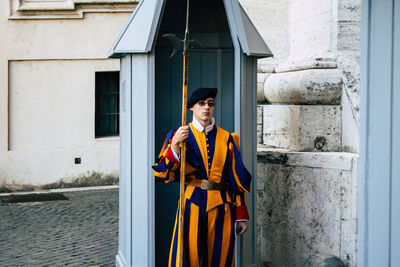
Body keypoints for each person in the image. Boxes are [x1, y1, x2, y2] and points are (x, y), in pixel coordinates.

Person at [152, 87, 251, 267]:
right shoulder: (178, 136)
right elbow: (162, 172)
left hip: (222, 205)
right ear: (191, 107)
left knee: (221, 260)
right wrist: (174, 145)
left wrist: (241, 214)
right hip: (191, 203)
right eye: (201, 103)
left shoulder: (228, 138)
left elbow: (236, 180)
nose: (207, 107)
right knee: (186, 258)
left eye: (210, 103)